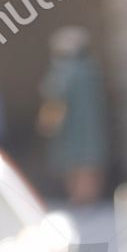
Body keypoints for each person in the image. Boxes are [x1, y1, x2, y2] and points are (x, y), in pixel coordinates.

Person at [36, 25, 108, 205]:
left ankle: (82, 197)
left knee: (76, 163)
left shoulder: (64, 73)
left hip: (71, 128)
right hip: (89, 126)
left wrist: (48, 123)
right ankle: (86, 196)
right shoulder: (91, 69)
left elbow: (55, 99)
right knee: (87, 161)